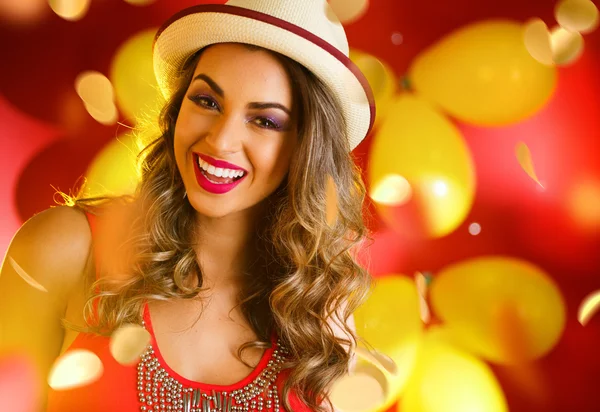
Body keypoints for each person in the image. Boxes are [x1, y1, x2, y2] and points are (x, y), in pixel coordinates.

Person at [0, 0, 376, 410]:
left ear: (305, 149)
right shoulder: (66, 247)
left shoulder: (316, 314)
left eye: (265, 121)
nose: (221, 140)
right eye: (207, 101)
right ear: (178, 109)